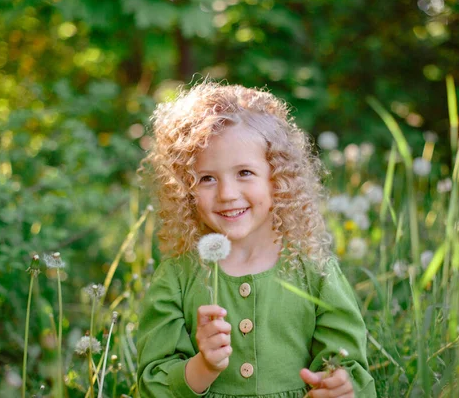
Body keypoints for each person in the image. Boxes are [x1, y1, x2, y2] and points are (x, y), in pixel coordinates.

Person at [137, 82, 376, 398]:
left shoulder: (314, 271)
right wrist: (204, 366)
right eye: (207, 178)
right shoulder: (177, 278)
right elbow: (153, 383)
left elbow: (346, 363)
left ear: (277, 178)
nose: (227, 194)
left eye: (245, 173)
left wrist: (341, 386)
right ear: (184, 190)